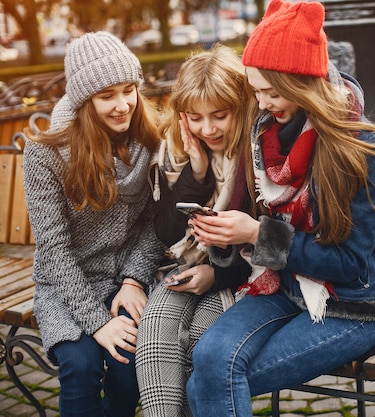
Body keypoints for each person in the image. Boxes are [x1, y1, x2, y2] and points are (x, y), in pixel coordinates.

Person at [184, 0, 375, 415]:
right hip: (283, 286)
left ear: (303, 83)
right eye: (256, 91)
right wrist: (223, 232)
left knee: (211, 382)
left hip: (349, 305)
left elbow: (350, 263)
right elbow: (248, 216)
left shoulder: (360, 149)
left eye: (272, 91)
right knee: (209, 362)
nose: (261, 104)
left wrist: (255, 234)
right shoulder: (266, 135)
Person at [23, 31, 165, 417]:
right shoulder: (46, 153)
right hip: (66, 283)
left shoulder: (152, 141)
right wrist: (98, 323)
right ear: (85, 101)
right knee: (81, 366)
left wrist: (135, 280)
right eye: (107, 96)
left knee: (128, 366)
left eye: (128, 90)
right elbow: (53, 249)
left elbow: (156, 222)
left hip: (123, 280)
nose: (123, 105)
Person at [135, 44, 256, 417]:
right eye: (196, 117)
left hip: (243, 278)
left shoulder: (256, 155)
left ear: (241, 106)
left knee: (198, 342)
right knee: (155, 323)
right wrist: (197, 174)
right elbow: (168, 233)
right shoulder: (176, 150)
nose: (208, 129)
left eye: (220, 115)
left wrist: (216, 274)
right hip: (187, 266)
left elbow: (269, 245)